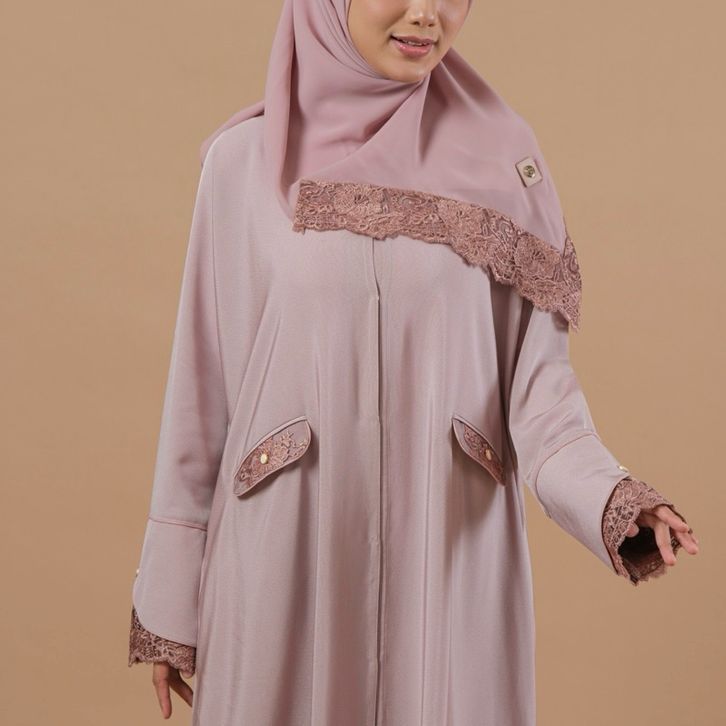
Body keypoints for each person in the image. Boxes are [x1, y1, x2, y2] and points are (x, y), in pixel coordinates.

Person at [127, 1, 700, 723]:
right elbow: (201, 392)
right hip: (286, 552)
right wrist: (170, 602)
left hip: (447, 548)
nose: (426, 15)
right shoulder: (243, 163)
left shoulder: (502, 162)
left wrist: (613, 499)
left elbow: (543, 398)